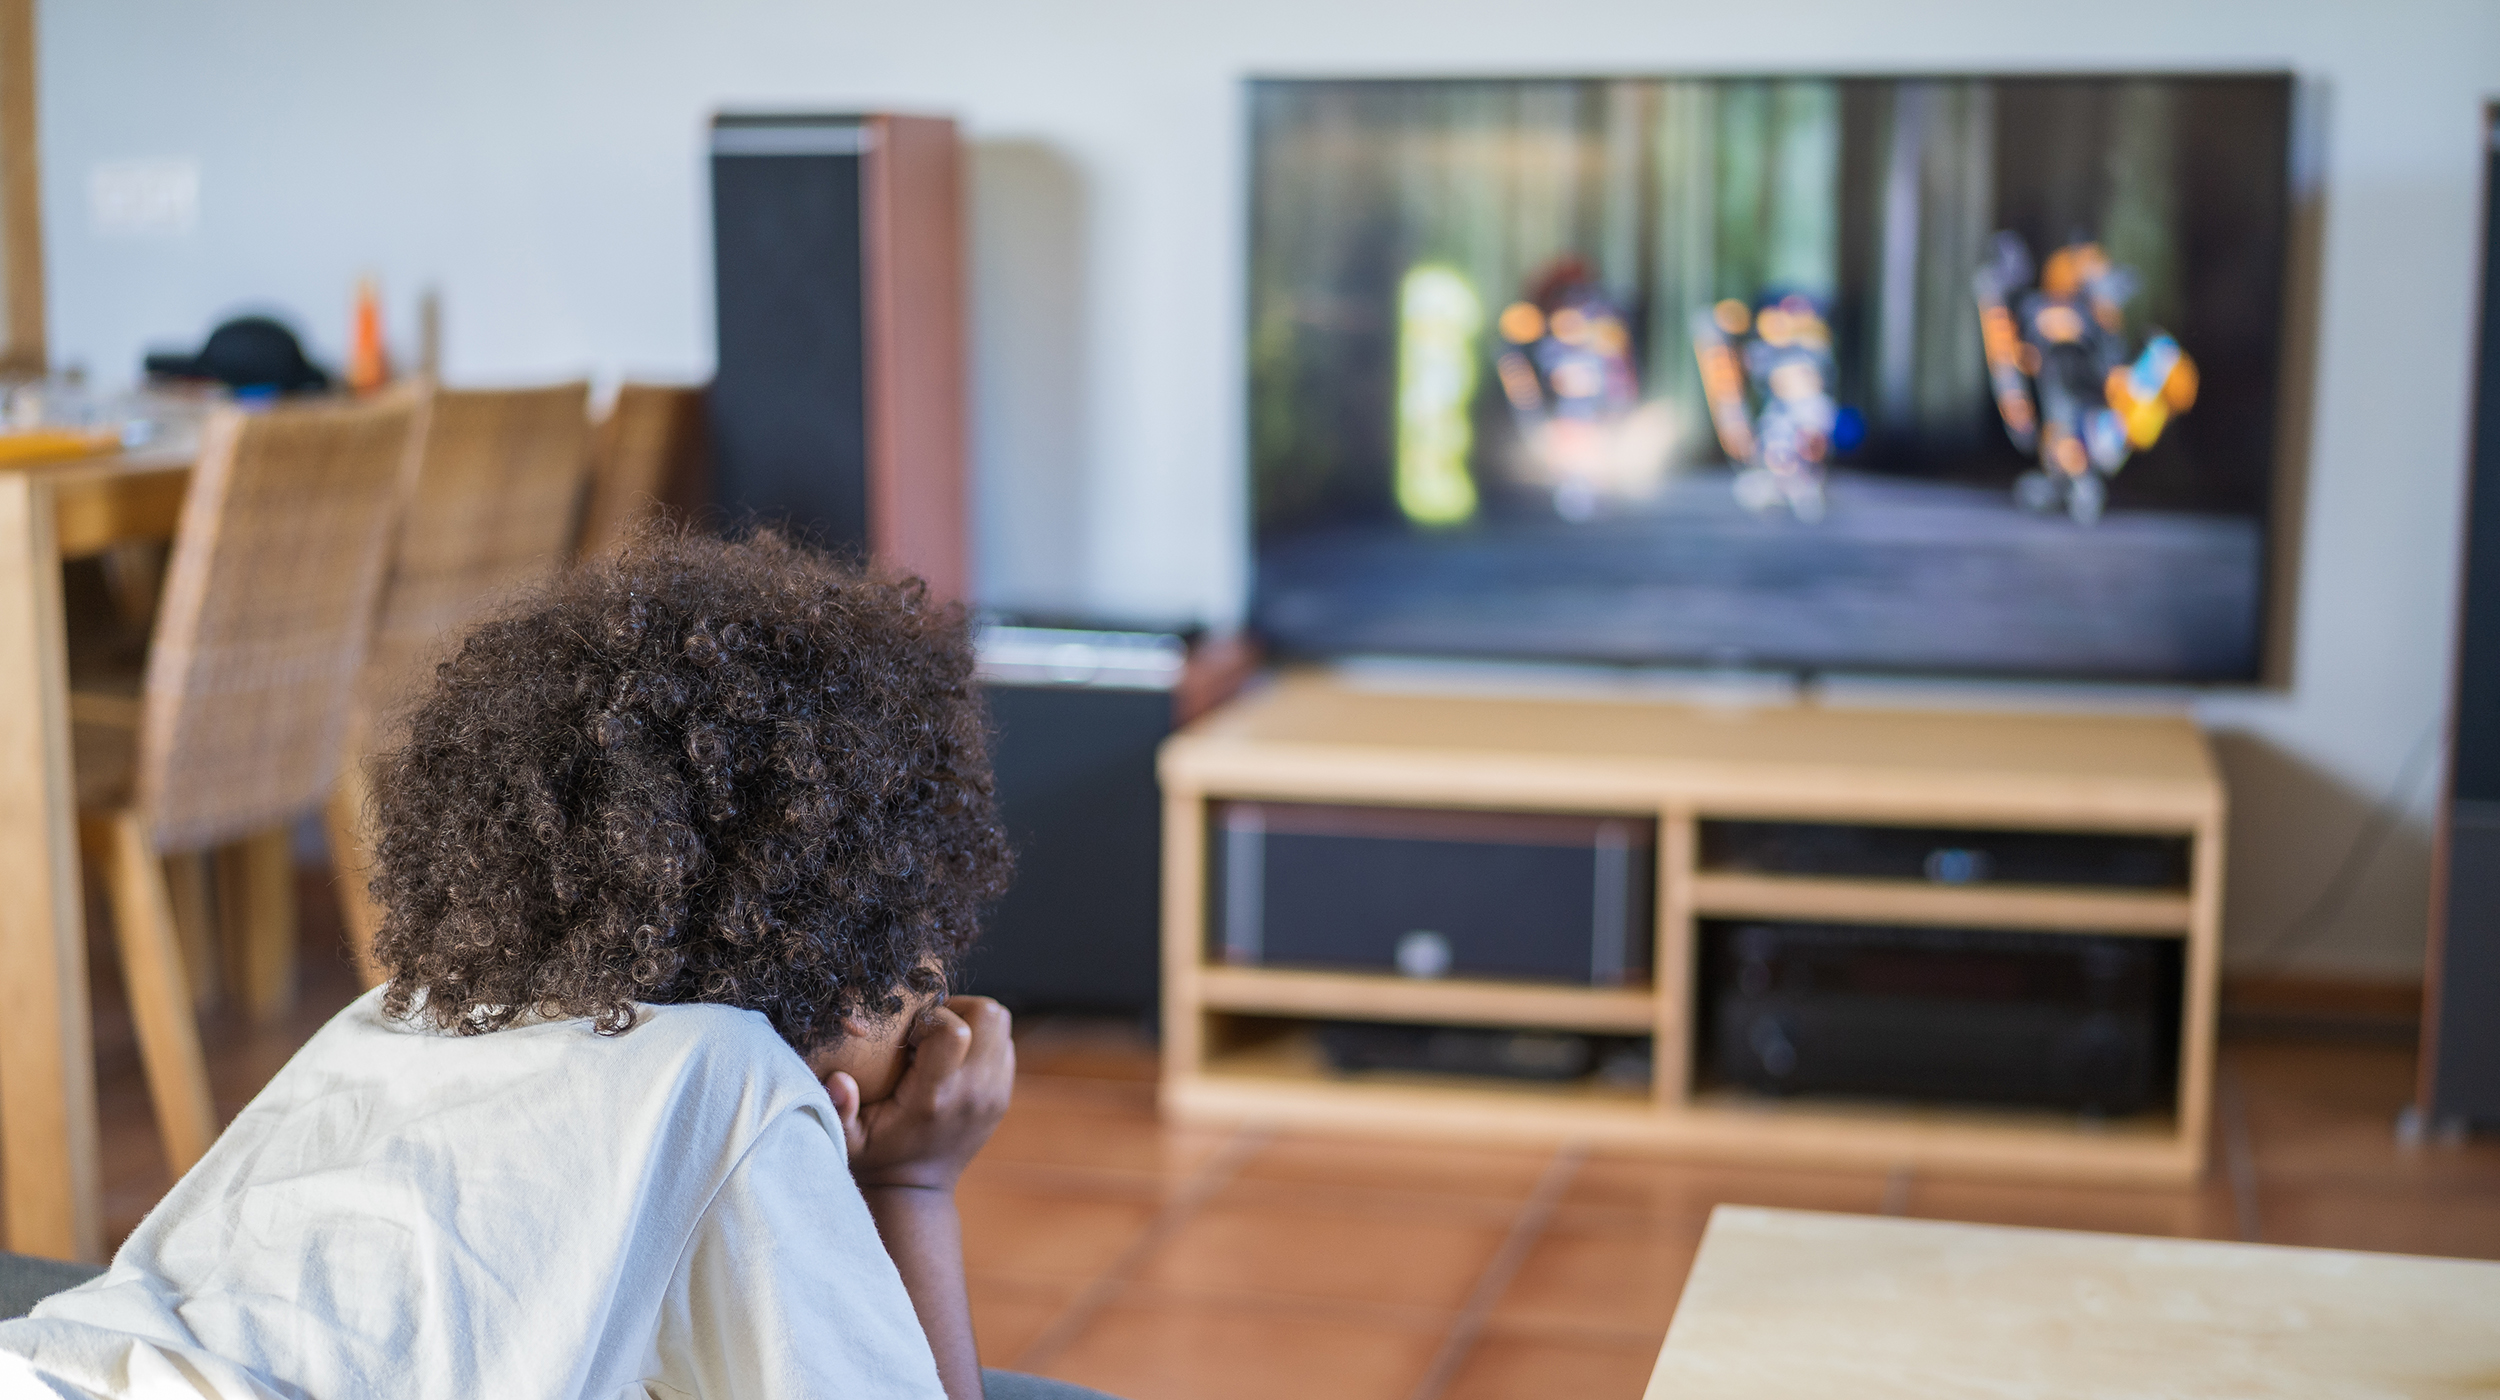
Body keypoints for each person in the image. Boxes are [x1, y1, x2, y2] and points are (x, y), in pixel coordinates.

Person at [0, 530, 1080, 1400]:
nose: (936, 995)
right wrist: (911, 1182)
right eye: (920, 961)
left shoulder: (404, 1012)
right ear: (835, 963)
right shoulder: (731, 1077)